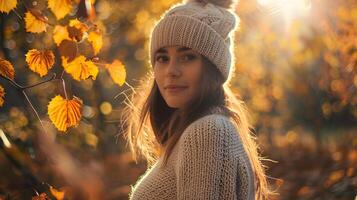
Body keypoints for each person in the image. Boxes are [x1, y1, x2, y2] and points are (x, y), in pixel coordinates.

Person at [120, 0, 276, 199]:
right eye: (162, 58)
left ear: (213, 67)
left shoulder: (207, 132)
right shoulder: (203, 129)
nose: (171, 71)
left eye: (187, 57)